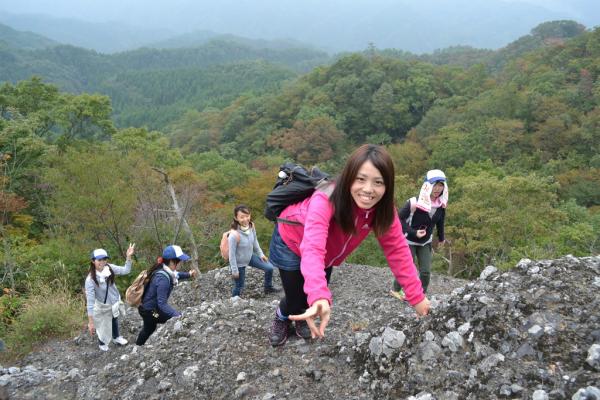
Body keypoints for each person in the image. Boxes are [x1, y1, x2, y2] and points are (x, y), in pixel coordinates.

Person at [267, 144, 430, 347]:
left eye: (378, 182)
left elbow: (397, 249)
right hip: (291, 240)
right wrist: (318, 295)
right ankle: (282, 317)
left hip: (326, 253)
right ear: (348, 177)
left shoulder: (383, 209)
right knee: (296, 296)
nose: (368, 190)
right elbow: (312, 248)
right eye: (360, 179)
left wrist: (417, 298)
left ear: (387, 186)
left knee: (309, 297)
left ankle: (299, 316)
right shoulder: (325, 199)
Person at [390, 169, 448, 299]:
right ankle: (395, 289)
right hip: (409, 240)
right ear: (428, 186)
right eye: (435, 185)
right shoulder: (414, 202)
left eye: (441, 185)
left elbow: (440, 222)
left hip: (425, 242)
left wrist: (441, 238)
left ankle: (420, 294)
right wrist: (413, 232)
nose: (438, 188)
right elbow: (398, 219)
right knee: (407, 267)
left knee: (425, 272)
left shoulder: (441, 205)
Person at [135, 245, 197, 346]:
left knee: (149, 328)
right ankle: (139, 346)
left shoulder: (165, 269)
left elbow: (177, 275)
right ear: (172, 262)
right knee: (167, 319)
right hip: (150, 311)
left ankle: (138, 345)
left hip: (147, 307)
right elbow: (162, 304)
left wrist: (188, 274)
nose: (181, 262)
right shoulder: (163, 279)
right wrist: (178, 316)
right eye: (180, 260)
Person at [85, 244, 135, 351]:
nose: (102, 262)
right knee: (103, 325)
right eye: (99, 260)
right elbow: (90, 302)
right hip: (102, 305)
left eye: (104, 259)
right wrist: (91, 322)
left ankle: (116, 337)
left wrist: (128, 257)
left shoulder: (110, 268)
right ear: (93, 261)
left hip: (114, 302)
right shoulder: (90, 280)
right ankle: (102, 343)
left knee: (114, 318)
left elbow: (126, 270)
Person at [228, 205, 281, 297]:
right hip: (239, 262)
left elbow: (255, 242)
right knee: (239, 286)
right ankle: (233, 302)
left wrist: (261, 254)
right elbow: (231, 255)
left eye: (247, 216)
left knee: (269, 268)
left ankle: (268, 288)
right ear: (236, 218)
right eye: (242, 217)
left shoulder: (251, 226)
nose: (245, 219)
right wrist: (234, 270)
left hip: (249, 257)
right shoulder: (233, 235)